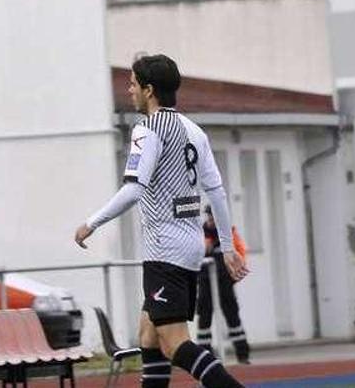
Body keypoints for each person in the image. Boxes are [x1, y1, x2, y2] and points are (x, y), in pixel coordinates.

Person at [74, 55, 249, 388]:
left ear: (149, 90)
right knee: (148, 336)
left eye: (133, 84)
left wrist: (92, 222)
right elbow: (217, 192)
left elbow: (134, 189)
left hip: (164, 250)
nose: (129, 91)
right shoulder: (193, 131)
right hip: (189, 247)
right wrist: (227, 248)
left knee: (174, 342)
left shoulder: (148, 129)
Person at [196, 208, 251, 363]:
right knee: (204, 316)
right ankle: (205, 353)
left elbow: (241, 253)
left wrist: (235, 274)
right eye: (209, 217)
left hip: (225, 281)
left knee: (232, 315)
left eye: (214, 217)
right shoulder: (201, 232)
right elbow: (198, 252)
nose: (211, 221)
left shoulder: (229, 234)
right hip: (206, 281)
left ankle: (242, 352)